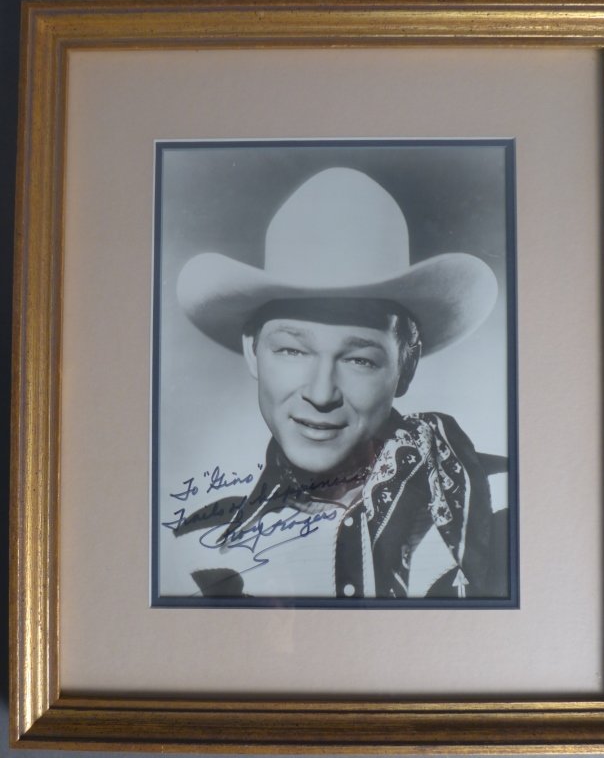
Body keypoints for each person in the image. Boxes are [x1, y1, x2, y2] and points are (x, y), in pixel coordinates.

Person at [170, 167, 509, 601]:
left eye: (358, 359)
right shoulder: (198, 546)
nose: (321, 393)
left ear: (406, 366)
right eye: (292, 351)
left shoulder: (504, 507)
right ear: (253, 353)